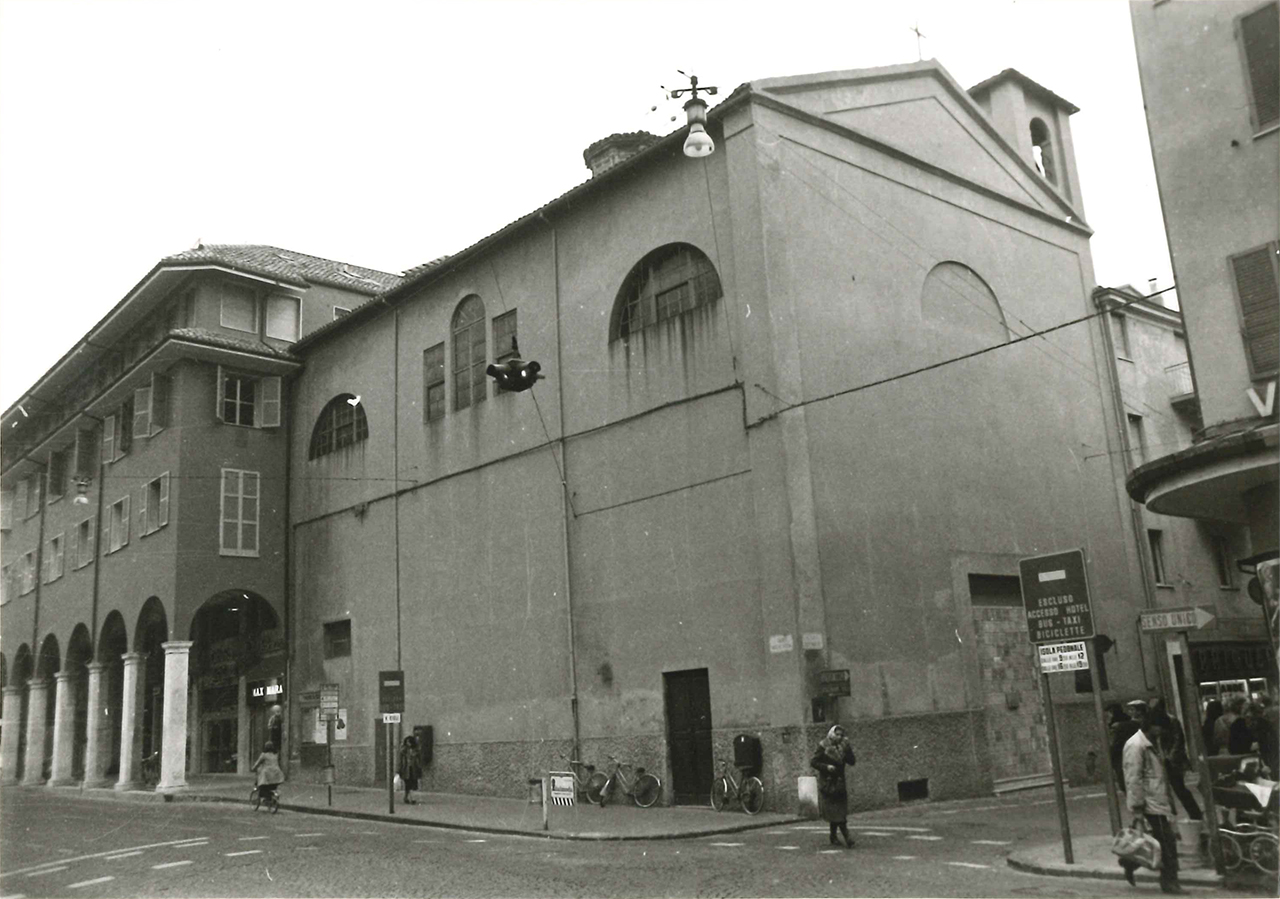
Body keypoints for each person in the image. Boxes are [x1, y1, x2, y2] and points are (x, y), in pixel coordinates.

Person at [1122, 701, 1182, 894]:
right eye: (1161, 728)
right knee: (1167, 844)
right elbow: (1133, 779)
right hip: (1149, 804)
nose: (1163, 732)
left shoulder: (1152, 743)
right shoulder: (1136, 746)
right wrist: (1138, 808)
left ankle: (1129, 862)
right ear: (1153, 726)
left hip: (1157, 801)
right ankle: (1170, 883)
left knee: (1151, 841)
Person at [1149, 698, 1201, 821]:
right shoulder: (1155, 721)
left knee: (1179, 789)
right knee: (1165, 790)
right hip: (1162, 758)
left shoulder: (1171, 721)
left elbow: (1178, 740)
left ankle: (1195, 814)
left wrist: (1169, 757)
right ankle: (1170, 817)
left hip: (1171, 761)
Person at [810, 724, 857, 848]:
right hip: (829, 783)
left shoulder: (843, 746)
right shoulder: (823, 745)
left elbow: (852, 761)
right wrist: (826, 767)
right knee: (836, 812)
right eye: (837, 734)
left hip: (840, 783)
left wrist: (848, 750)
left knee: (838, 811)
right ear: (832, 734)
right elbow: (814, 762)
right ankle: (847, 837)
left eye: (841, 735)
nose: (839, 737)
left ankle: (833, 836)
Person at [1108, 702, 1140, 793]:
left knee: (1126, 786)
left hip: (1122, 758)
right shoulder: (1130, 723)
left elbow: (1116, 744)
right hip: (1132, 756)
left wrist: (1111, 757)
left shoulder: (1117, 726)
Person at [250, 741, 284, 806]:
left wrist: (253, 768)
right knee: (273, 786)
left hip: (267, 773)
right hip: (277, 773)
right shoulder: (275, 754)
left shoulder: (264, 755)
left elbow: (258, 763)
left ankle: (266, 798)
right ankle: (273, 798)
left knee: (262, 785)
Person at [398, 735, 422, 804]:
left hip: (413, 769)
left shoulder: (416, 750)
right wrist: (399, 769)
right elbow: (400, 761)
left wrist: (419, 767)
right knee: (408, 784)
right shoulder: (403, 751)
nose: (408, 744)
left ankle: (408, 798)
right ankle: (411, 798)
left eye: (409, 742)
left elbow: (419, 760)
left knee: (413, 784)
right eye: (407, 742)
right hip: (406, 770)